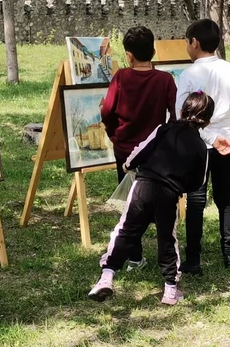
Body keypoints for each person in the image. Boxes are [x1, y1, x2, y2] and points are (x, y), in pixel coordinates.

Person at [88, 92, 214, 306]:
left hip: (143, 186)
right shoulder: (201, 147)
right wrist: (179, 186)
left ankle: (106, 277)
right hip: (170, 194)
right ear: (208, 121)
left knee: (126, 230)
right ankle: (170, 290)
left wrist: (127, 165)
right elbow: (198, 182)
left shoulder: (164, 129)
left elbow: (140, 151)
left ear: (181, 111)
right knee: (167, 238)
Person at [174, 18, 230, 272]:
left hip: (198, 145)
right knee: (223, 197)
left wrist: (206, 137)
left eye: (187, 43)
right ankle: (229, 254)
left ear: (194, 43)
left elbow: (181, 114)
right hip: (227, 143)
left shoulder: (188, 74)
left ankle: (194, 259)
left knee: (196, 199)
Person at [99, 25, 177, 269]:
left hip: (125, 151)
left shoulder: (121, 77)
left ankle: (134, 257)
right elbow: (175, 114)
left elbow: (107, 111)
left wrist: (114, 135)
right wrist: (164, 140)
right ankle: (166, 255)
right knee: (158, 202)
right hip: (154, 153)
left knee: (129, 203)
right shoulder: (165, 79)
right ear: (153, 51)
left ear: (128, 55)